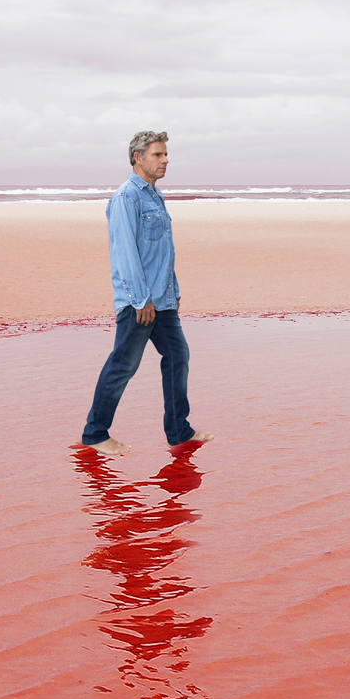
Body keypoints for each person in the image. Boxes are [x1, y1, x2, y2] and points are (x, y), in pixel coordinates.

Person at [80, 130, 212, 455]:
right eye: (157, 154)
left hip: (162, 301)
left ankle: (178, 431)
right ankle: (95, 433)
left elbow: (163, 251)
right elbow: (125, 253)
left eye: (166, 154)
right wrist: (140, 300)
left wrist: (173, 290)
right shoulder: (126, 198)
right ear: (138, 158)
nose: (165, 160)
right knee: (123, 365)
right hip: (140, 303)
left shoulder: (155, 196)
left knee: (178, 357)